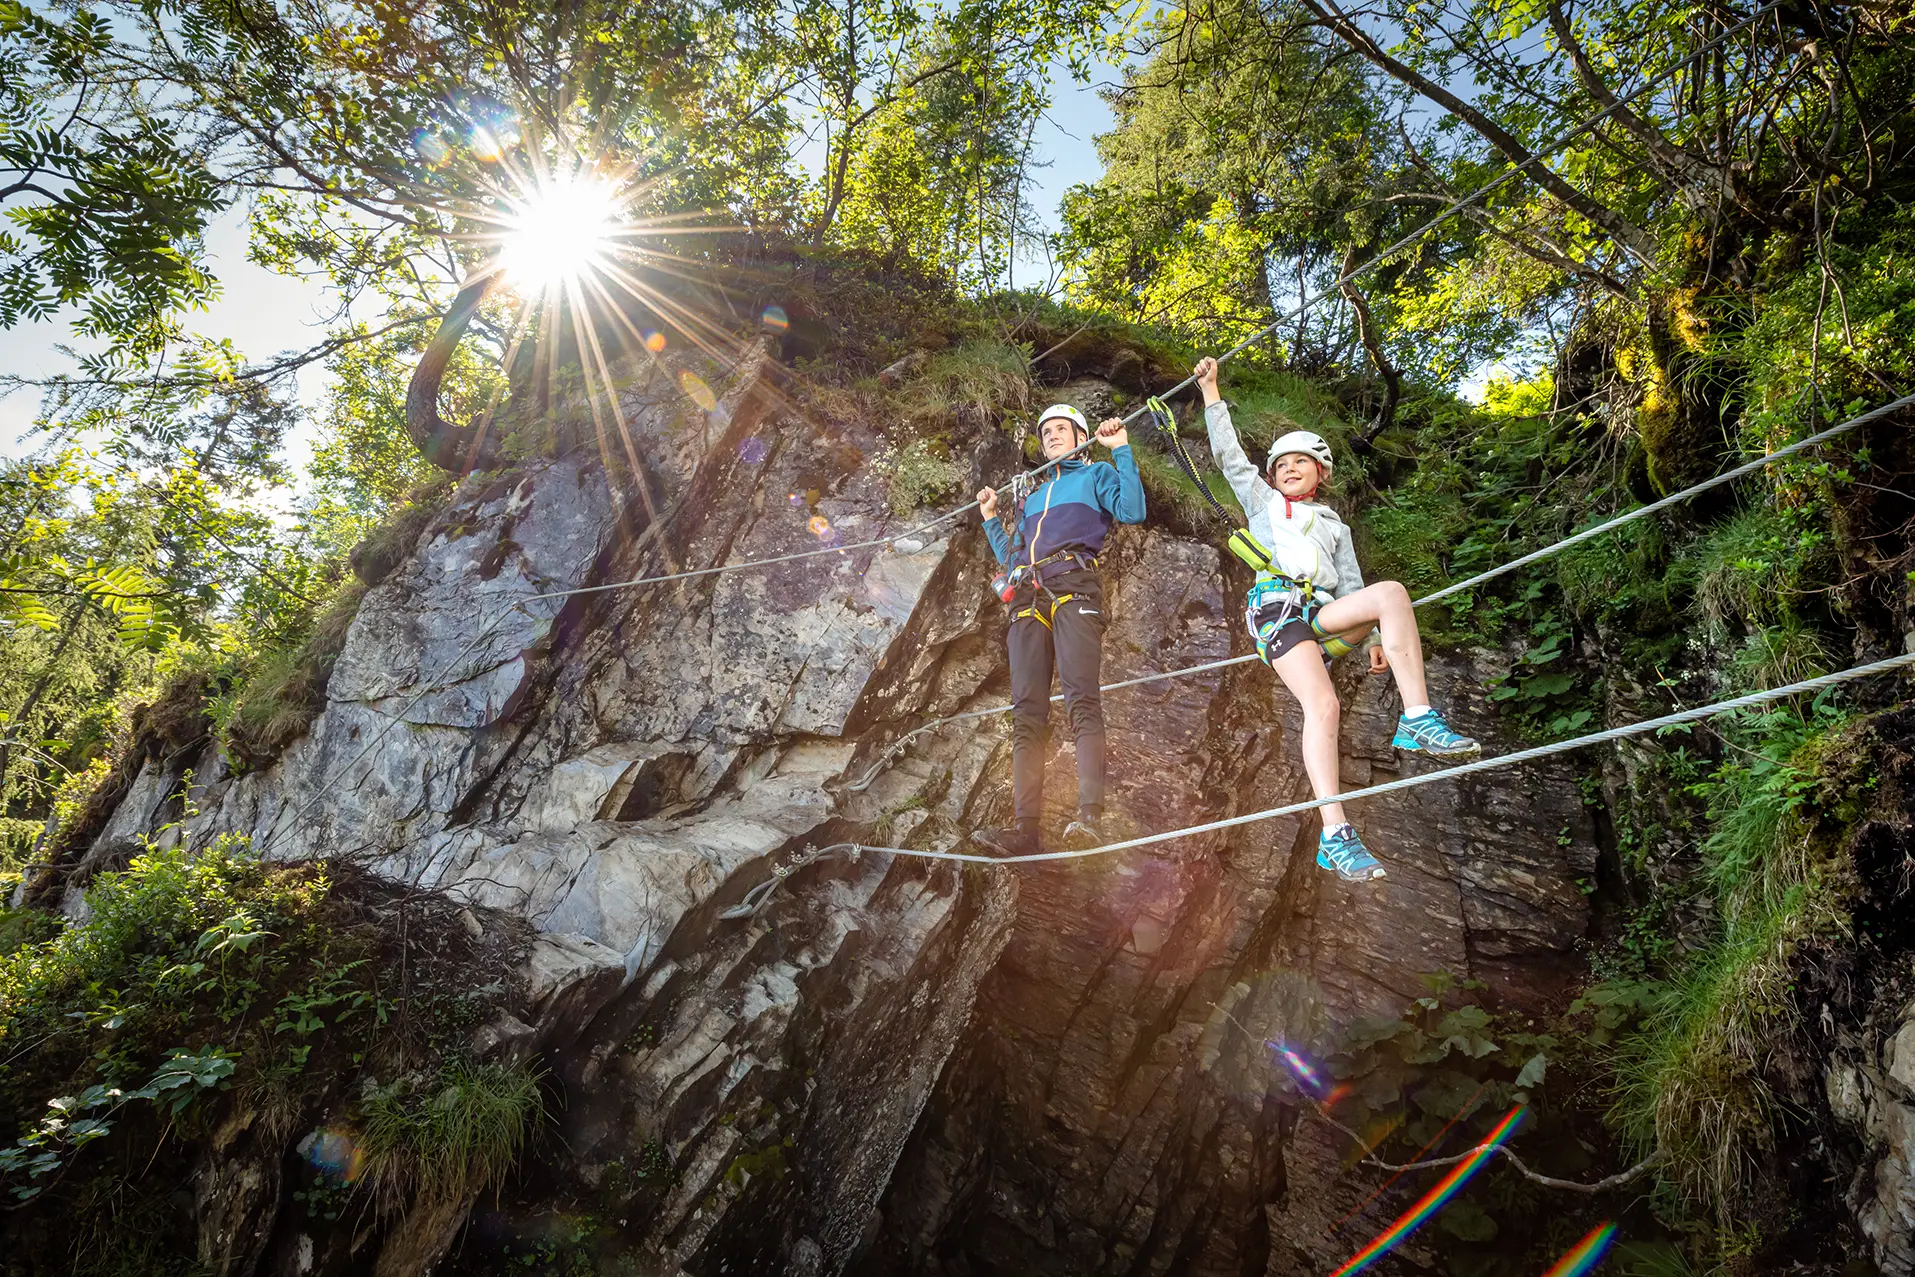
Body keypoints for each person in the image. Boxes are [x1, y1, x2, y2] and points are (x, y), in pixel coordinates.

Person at [1193, 355, 1479, 882]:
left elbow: (1350, 586)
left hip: (1323, 613)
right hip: (1278, 609)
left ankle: (1417, 719)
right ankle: (1335, 834)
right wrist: (1212, 393)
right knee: (1322, 705)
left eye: (1299, 463)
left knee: (1389, 592)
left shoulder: (1334, 526)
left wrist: (1370, 635)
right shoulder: (1263, 504)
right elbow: (1229, 456)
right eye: (1281, 465)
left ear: (1320, 473)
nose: (1289, 470)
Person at [971, 404, 1146, 858]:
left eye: (1059, 429)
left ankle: (1091, 818)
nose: (1050, 436)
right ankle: (1025, 829)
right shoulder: (1030, 496)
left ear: (1080, 435)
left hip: (1074, 586)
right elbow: (1013, 561)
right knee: (1026, 711)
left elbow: (1132, 510)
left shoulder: (1094, 476)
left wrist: (1121, 450)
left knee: (1081, 698)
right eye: (1045, 431)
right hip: (1029, 594)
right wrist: (992, 519)